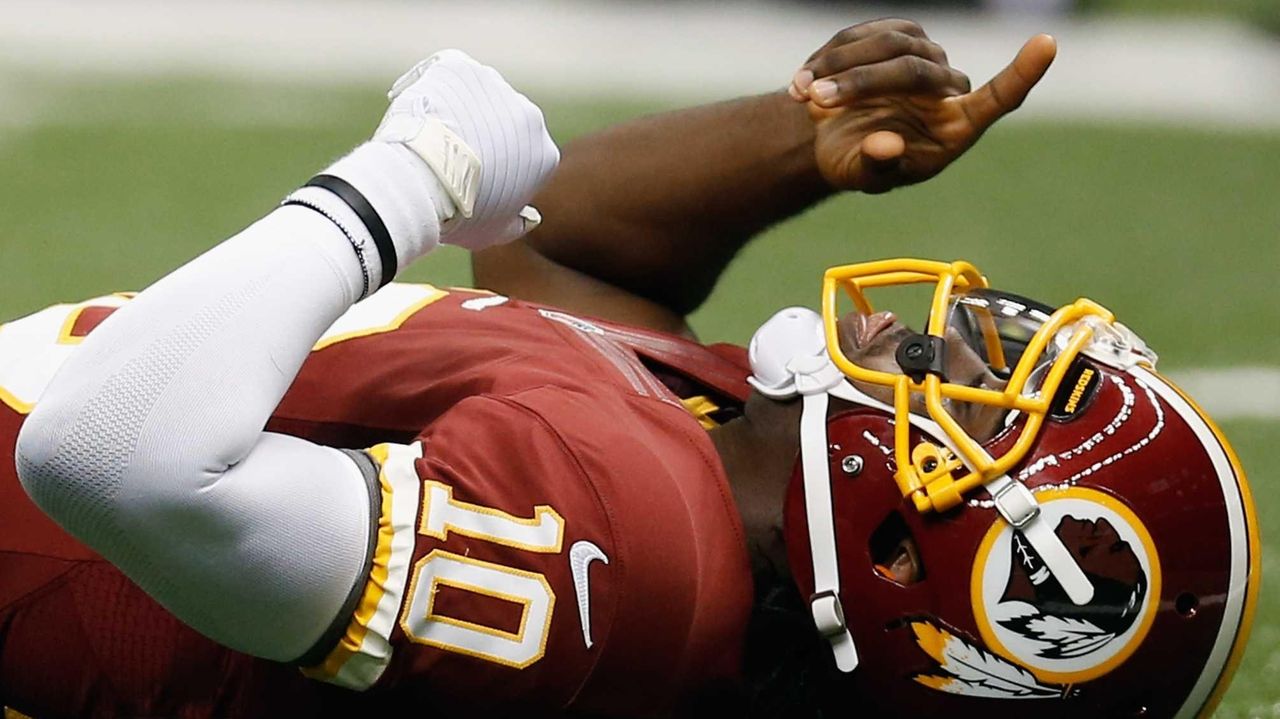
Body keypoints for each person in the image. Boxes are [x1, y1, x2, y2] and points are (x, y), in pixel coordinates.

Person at [1, 20, 1257, 719]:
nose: (963, 339)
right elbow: (569, 257)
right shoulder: (705, 478)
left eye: (986, 399)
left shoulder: (632, 545)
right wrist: (794, 140)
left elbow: (115, 457)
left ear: (905, 554)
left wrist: (402, 180)